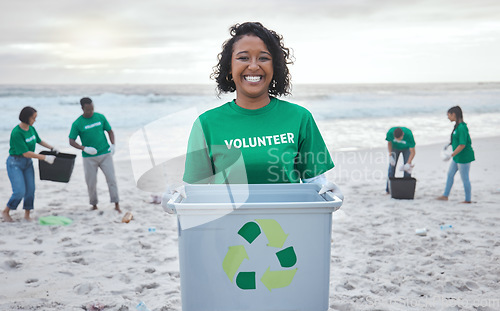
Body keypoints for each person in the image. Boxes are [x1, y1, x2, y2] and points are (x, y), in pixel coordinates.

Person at [181, 22, 340, 196]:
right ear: (229, 68)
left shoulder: (300, 118)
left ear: (275, 67)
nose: (254, 66)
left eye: (263, 58)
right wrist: (178, 199)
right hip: (227, 223)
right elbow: (195, 193)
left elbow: (316, 184)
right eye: (243, 58)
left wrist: (330, 194)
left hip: (288, 219)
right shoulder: (206, 124)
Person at [2, 106, 57, 222]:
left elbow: (39, 140)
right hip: (15, 163)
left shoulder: (31, 129)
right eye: (33, 118)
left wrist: (52, 147)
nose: (35, 120)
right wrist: (45, 158)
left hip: (27, 163)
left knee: (30, 190)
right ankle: (6, 211)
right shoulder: (17, 132)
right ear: (26, 118)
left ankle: (27, 214)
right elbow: (26, 153)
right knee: (19, 191)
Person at [69, 97, 121, 212]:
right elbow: (71, 141)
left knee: (111, 179)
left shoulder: (100, 117)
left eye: (92, 109)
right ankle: (94, 204)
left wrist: (113, 144)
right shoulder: (77, 123)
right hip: (89, 157)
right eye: (88, 110)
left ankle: (116, 204)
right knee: (91, 182)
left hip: (105, 154)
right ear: (82, 108)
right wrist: (84, 148)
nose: (91, 112)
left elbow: (110, 131)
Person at [437, 106, 475, 203]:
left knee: (465, 178)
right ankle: (445, 195)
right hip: (457, 156)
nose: (448, 117)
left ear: (453, 114)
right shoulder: (457, 127)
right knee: (450, 174)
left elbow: (462, 144)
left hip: (463, 157)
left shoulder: (462, 127)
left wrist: (451, 154)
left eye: (448, 115)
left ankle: (468, 199)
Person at [385, 127, 416, 193]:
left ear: (403, 134)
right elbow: (389, 143)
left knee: (407, 169)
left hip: (406, 149)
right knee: (391, 168)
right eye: (397, 139)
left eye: (400, 139)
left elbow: (413, 152)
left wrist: (408, 163)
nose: (398, 140)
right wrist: (390, 155)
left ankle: (406, 189)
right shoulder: (390, 133)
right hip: (395, 148)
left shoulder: (409, 135)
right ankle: (388, 190)